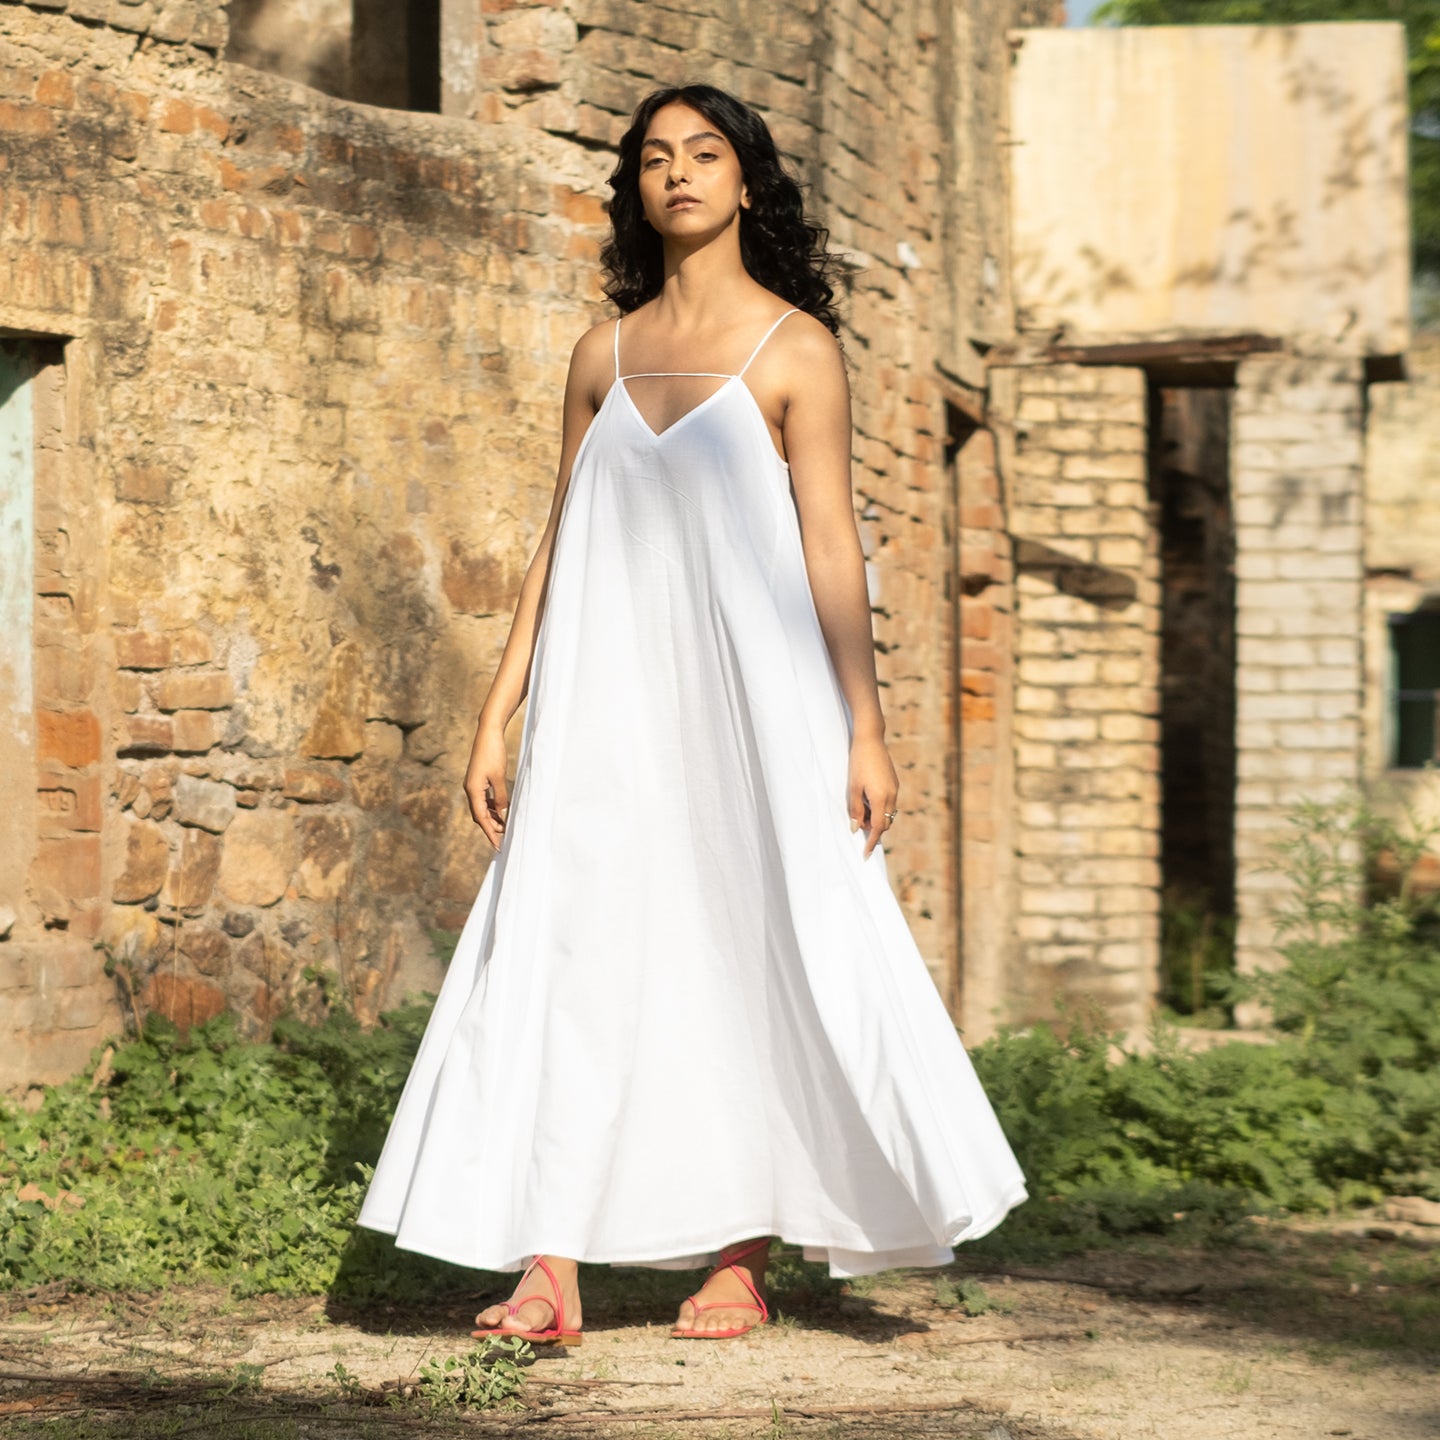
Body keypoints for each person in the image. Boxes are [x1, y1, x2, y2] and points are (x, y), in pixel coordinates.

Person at [358, 83, 1026, 1344]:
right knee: (565, 944)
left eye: (704, 154)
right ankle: (548, 1261)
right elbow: (559, 537)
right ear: (638, 189)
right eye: (655, 158)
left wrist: (864, 728)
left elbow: (833, 548)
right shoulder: (598, 356)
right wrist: (500, 713)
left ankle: (738, 1252)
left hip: (753, 707)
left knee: (751, 943)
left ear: (747, 182)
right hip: (606, 700)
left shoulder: (797, 352)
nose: (677, 174)